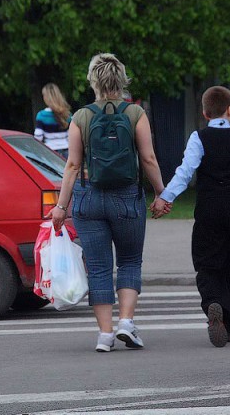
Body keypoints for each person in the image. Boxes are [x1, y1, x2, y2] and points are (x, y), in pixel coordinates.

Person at [48, 53, 166, 352]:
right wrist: (160, 193)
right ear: (121, 80)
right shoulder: (135, 114)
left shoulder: (81, 117)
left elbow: (73, 166)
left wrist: (62, 207)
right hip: (127, 197)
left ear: (94, 81)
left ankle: (104, 335)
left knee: (99, 267)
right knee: (129, 260)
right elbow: (148, 158)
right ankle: (127, 323)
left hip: (89, 199)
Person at [151, 86, 230, 348]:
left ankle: (214, 302)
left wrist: (165, 198)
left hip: (208, 210)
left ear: (204, 113)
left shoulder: (198, 138)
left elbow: (185, 171)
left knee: (207, 263)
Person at [34, 83, 72, 158]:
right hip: (67, 152)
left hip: (50, 152)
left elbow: (38, 137)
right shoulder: (67, 114)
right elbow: (70, 136)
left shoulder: (42, 115)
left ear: (46, 98)